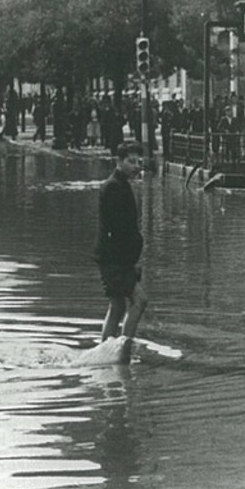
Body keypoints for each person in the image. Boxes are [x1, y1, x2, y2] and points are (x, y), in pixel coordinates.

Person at [94, 141, 147, 347]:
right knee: (140, 300)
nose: (136, 166)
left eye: (139, 162)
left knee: (117, 306)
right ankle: (123, 350)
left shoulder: (119, 184)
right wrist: (130, 262)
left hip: (112, 257)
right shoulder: (115, 187)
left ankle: (107, 351)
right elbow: (119, 231)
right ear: (119, 161)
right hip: (115, 259)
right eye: (131, 161)